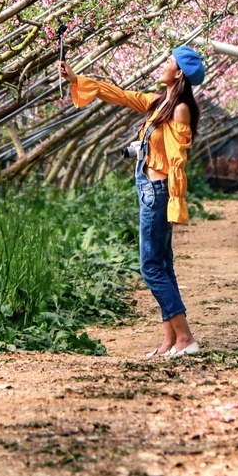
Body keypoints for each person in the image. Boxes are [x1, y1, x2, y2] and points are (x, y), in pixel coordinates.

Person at [59, 47, 205, 358]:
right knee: (163, 265)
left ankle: (185, 338)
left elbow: (177, 160)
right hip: (149, 190)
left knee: (150, 267)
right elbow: (122, 96)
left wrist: (175, 198)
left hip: (157, 191)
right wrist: (78, 79)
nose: (163, 64)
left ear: (179, 73)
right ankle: (169, 342)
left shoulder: (179, 109)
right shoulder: (159, 102)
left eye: (169, 62)